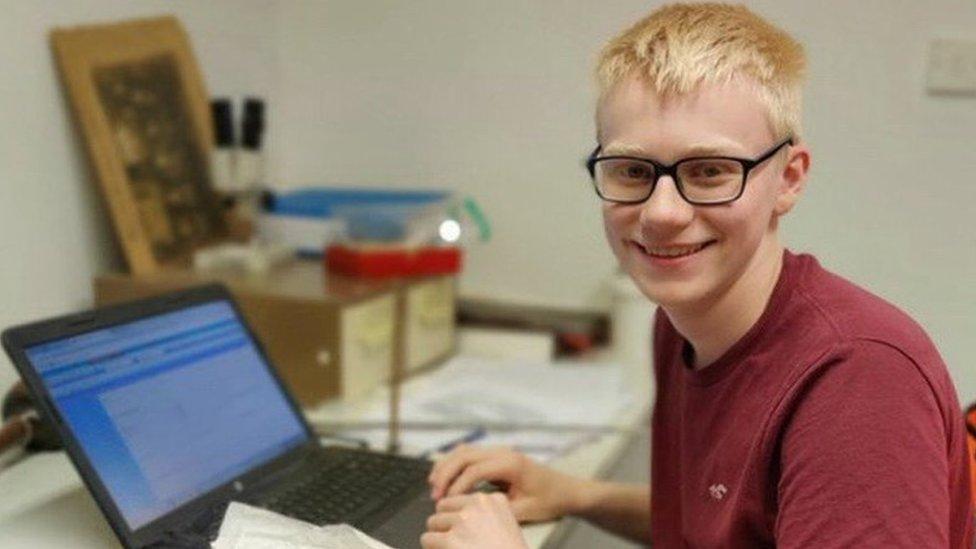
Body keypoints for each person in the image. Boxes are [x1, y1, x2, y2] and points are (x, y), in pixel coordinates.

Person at [420, 3, 974, 548]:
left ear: (788, 179)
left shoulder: (857, 380)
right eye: (633, 170)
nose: (662, 213)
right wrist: (574, 494)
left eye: (709, 171)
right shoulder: (681, 325)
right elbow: (729, 521)